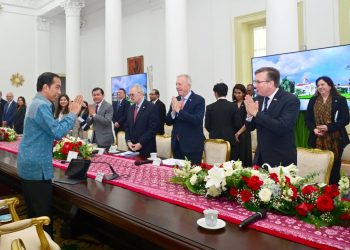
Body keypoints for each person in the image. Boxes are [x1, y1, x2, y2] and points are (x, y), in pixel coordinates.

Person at [17, 72, 82, 235]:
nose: (60, 91)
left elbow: (48, 128)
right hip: (37, 168)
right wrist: (73, 113)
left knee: (34, 215)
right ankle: (44, 244)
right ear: (45, 87)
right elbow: (56, 132)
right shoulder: (42, 105)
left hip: (29, 164)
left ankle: (36, 242)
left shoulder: (35, 102)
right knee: (42, 217)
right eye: (57, 87)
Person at [244, 67, 300, 167]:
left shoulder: (290, 100)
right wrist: (249, 115)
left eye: (258, 82)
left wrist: (256, 113)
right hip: (260, 158)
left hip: (281, 159)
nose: (255, 86)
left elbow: (282, 127)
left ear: (270, 83)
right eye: (255, 82)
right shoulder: (258, 99)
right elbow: (250, 127)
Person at [305, 76, 350, 184]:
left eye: (323, 84)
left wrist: (328, 127)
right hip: (317, 138)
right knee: (318, 166)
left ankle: (333, 192)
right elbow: (308, 119)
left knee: (334, 167)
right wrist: (314, 129)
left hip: (336, 139)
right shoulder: (313, 100)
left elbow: (345, 119)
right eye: (318, 85)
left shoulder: (340, 100)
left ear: (330, 86)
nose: (320, 87)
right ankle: (318, 190)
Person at [166, 74, 205, 165]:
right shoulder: (176, 100)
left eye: (180, 84)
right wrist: (173, 112)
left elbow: (197, 120)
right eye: (176, 84)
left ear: (188, 85)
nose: (177, 87)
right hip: (177, 145)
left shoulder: (199, 100)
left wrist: (179, 110)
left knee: (192, 177)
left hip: (192, 146)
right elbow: (168, 121)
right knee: (178, 176)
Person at [205, 83, 240, 160]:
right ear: (226, 92)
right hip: (229, 140)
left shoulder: (210, 107)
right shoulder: (233, 106)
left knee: (215, 163)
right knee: (229, 166)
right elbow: (237, 124)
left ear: (216, 93)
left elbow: (207, 125)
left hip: (214, 140)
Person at [125, 84, 159, 157]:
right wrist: (128, 141)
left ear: (140, 94)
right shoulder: (131, 108)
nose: (130, 97)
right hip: (132, 149)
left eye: (132, 95)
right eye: (129, 95)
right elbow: (127, 127)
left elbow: (152, 129)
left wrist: (140, 143)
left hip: (146, 149)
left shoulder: (151, 107)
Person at [232, 84, 252, 167]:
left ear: (244, 93)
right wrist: (234, 134)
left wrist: (238, 133)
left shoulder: (247, 104)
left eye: (239, 93)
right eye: (235, 93)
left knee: (244, 158)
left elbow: (248, 121)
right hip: (233, 134)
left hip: (244, 134)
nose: (237, 95)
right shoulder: (232, 104)